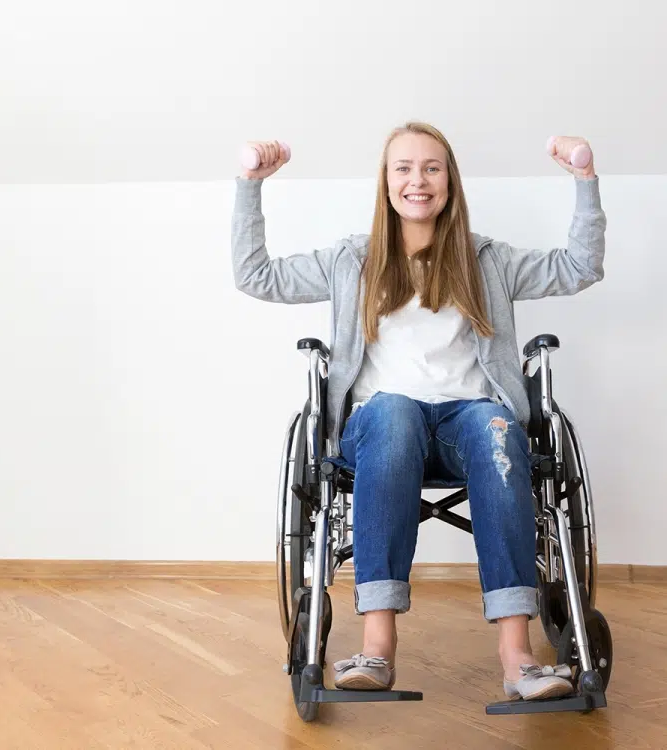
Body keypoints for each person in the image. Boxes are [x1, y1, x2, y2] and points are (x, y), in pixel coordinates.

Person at [230, 122, 606, 702]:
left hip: (468, 422)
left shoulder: (488, 260)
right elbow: (256, 276)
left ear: (450, 182)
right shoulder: (351, 260)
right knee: (396, 414)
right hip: (382, 426)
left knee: (495, 425)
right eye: (403, 168)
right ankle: (378, 646)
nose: (417, 180)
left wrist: (584, 180)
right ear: (385, 183)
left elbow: (579, 266)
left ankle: (517, 654)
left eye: (432, 168)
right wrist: (250, 185)